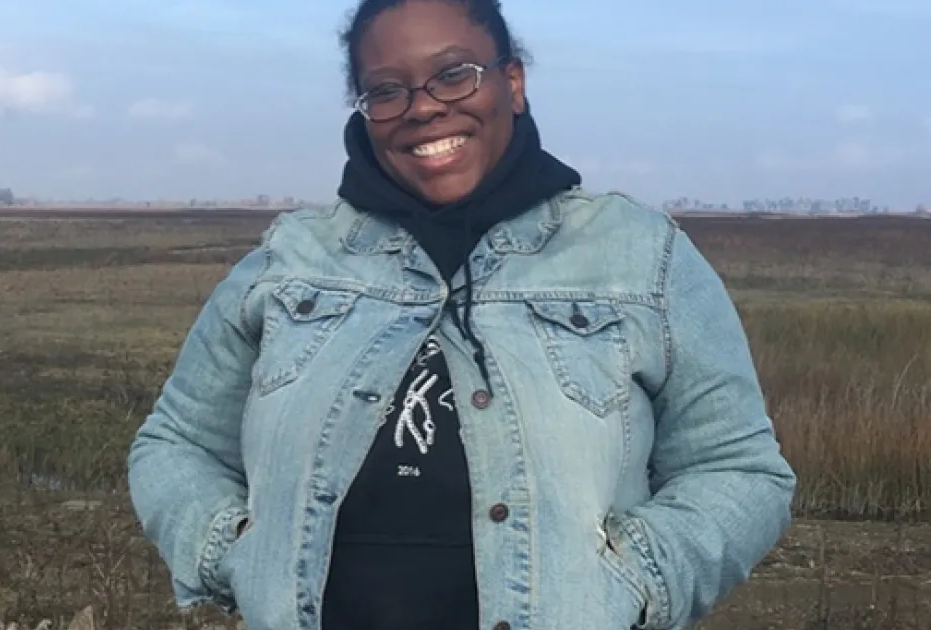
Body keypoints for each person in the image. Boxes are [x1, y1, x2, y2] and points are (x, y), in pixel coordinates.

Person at [127, 0, 797, 628]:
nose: (423, 107)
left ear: (512, 83)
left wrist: (632, 577)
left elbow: (738, 469)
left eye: (453, 75)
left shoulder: (640, 256)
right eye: (387, 90)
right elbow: (177, 444)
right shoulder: (290, 261)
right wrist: (235, 551)